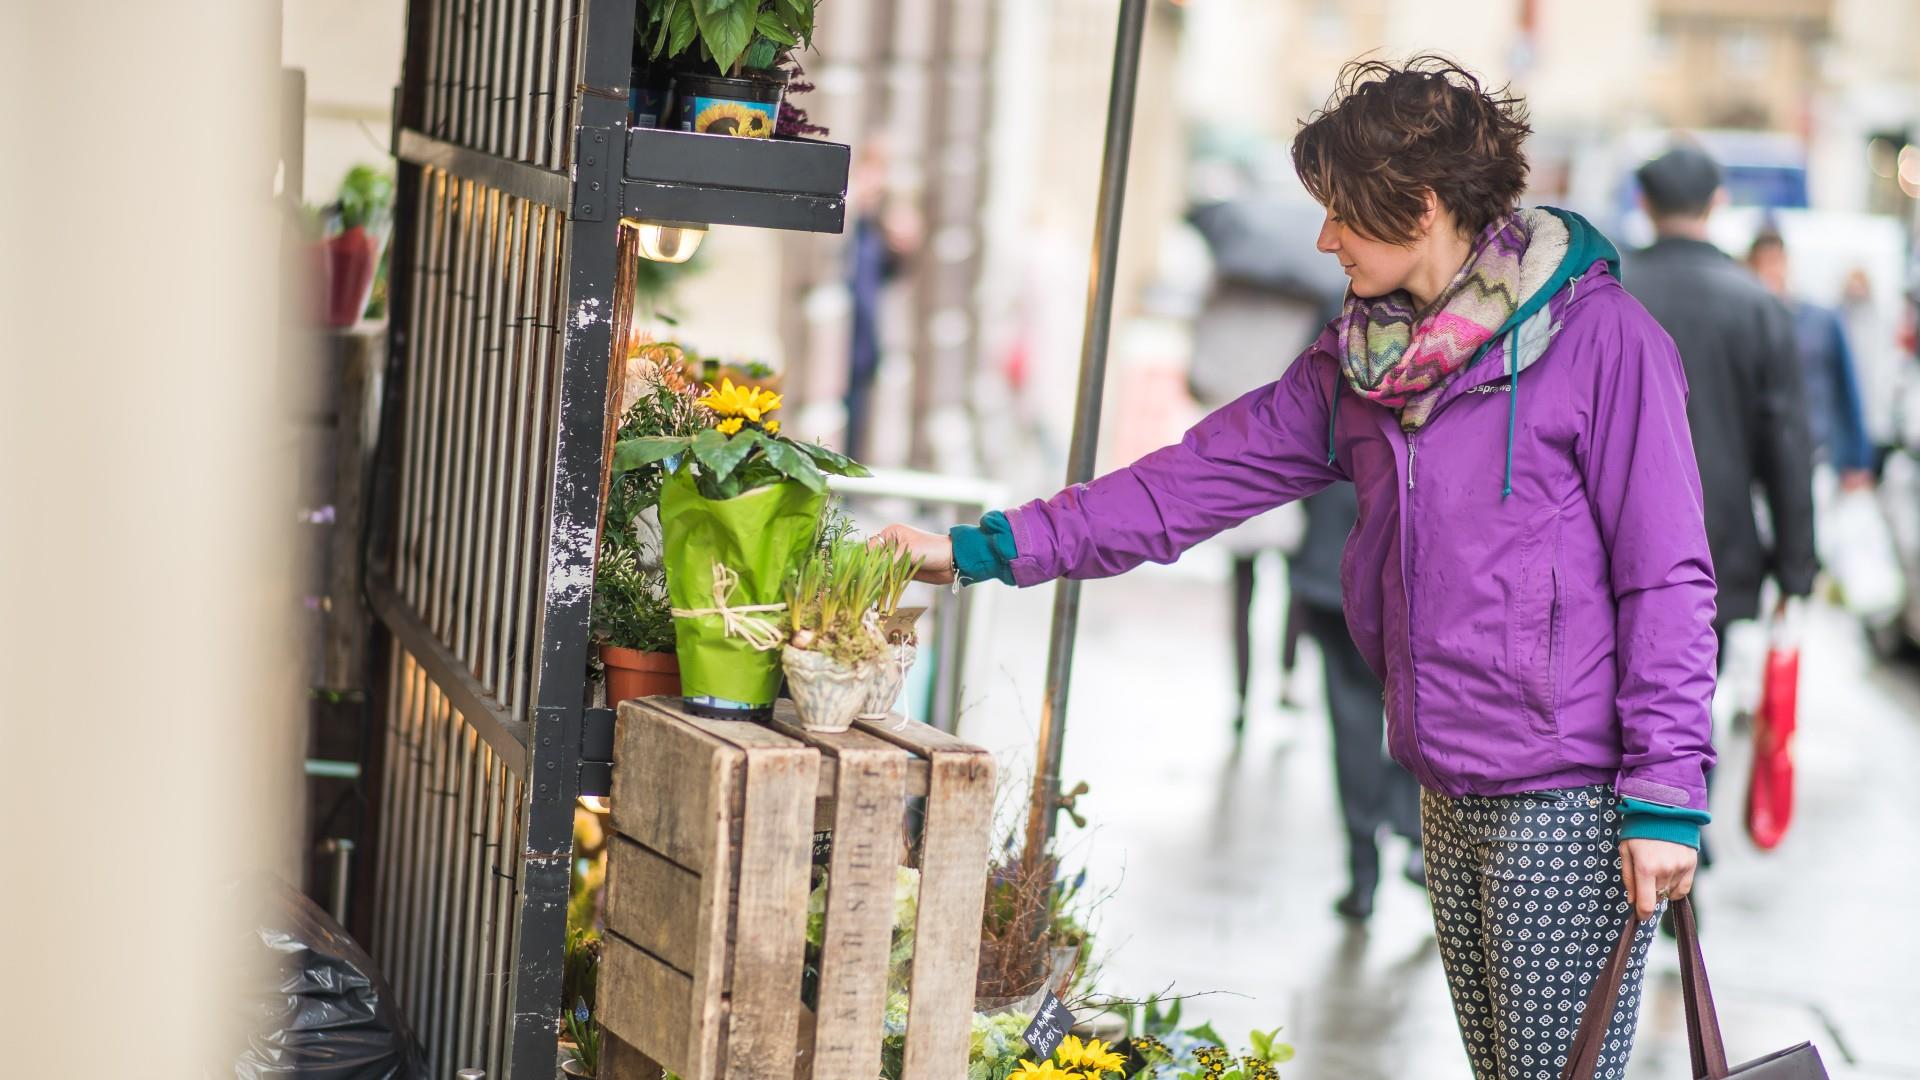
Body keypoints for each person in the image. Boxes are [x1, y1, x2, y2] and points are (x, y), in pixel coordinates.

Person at [882, 57, 1712, 1080]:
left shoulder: (1604, 342)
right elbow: (1191, 483)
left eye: (1343, 215)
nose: (1326, 240)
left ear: (1419, 205)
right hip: (1446, 781)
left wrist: (1667, 796)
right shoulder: (1363, 362)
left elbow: (1667, 578)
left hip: (1569, 797)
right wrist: (980, 550)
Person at [1622, 149, 1817, 650]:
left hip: (1615, 542)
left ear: (1645, 204)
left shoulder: (1613, 293)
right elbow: (1788, 444)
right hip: (1718, 546)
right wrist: (1795, 568)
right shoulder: (1758, 305)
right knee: (1693, 701)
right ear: (1717, 202)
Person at [1291, 483, 1424, 921]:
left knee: (1353, 729)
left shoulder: (1337, 412)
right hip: (1402, 580)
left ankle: (1364, 876)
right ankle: (1414, 839)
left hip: (1334, 568)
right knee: (1418, 717)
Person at [1746, 231, 1876, 489]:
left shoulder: (1820, 320)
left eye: (1775, 261)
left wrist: (1858, 458)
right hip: (1759, 454)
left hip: (1817, 451)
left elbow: (1848, 388)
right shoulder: (1746, 321)